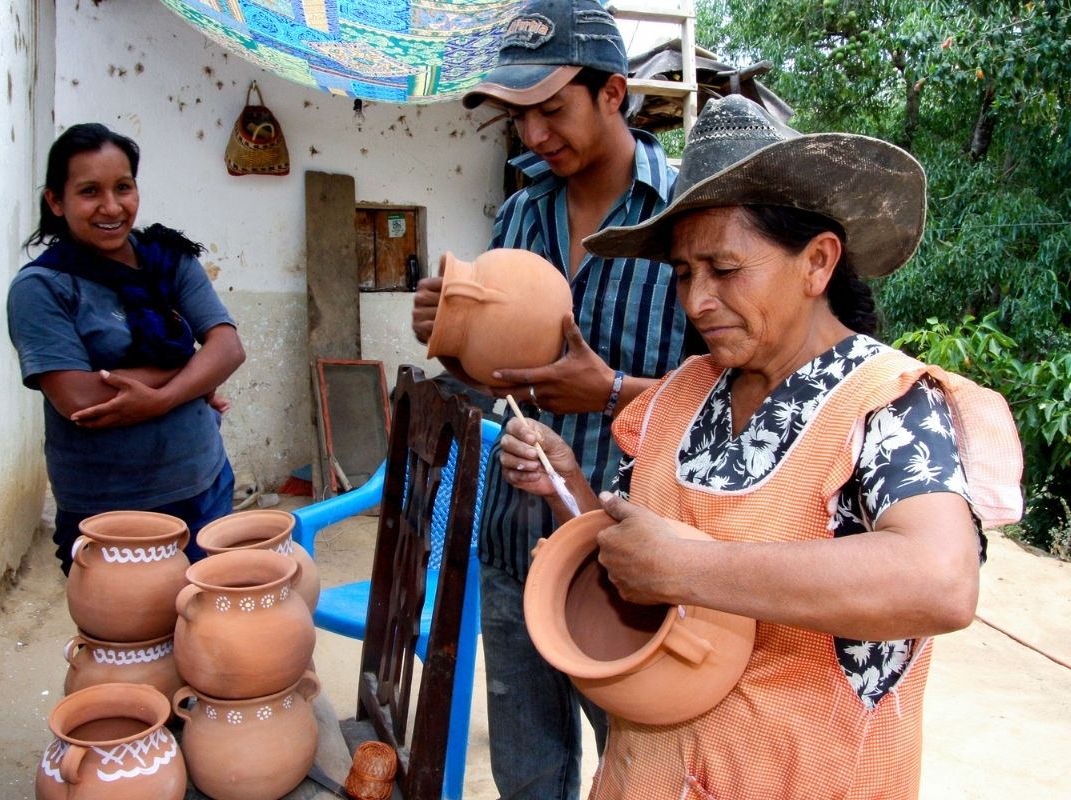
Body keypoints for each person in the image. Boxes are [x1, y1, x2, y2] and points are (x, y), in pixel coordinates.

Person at [499, 94, 1024, 798]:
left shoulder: (889, 404)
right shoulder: (681, 396)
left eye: (724, 269)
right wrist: (567, 487)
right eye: (684, 273)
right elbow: (633, 561)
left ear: (817, 263)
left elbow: (941, 581)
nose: (697, 301)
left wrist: (691, 568)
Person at [411, 1, 687, 796]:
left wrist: (610, 392)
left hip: (628, 562)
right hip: (514, 546)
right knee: (528, 779)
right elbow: (496, 380)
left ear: (613, 92)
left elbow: (737, 400)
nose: (533, 134)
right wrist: (449, 333)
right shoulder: (520, 212)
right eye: (517, 116)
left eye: (552, 109)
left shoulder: (686, 215)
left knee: (639, 773)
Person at [8, 123, 246, 575]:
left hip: (203, 482)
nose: (112, 207)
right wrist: (190, 368)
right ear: (56, 201)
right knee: (126, 619)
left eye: (123, 187)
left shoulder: (168, 258)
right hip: (106, 507)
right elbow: (80, 399)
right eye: (89, 192)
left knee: (207, 613)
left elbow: (229, 348)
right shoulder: (41, 288)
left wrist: (160, 398)